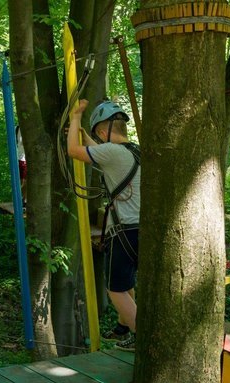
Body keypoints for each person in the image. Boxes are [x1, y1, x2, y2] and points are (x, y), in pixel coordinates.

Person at [67, 99, 140, 352]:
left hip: (123, 231)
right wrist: (87, 137)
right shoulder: (134, 152)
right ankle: (129, 328)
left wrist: (75, 117)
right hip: (141, 230)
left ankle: (142, 335)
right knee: (127, 283)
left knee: (116, 290)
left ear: (103, 131)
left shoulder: (112, 153)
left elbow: (74, 151)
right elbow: (98, 154)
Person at [15, 126, 27, 206]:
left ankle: (24, 199)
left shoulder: (18, 128)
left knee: (25, 181)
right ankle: (21, 199)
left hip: (23, 158)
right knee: (24, 181)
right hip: (23, 159)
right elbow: (22, 142)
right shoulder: (19, 128)